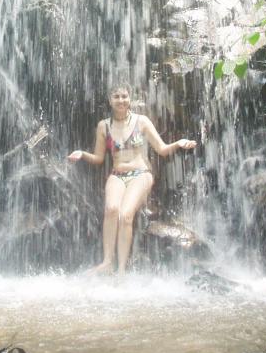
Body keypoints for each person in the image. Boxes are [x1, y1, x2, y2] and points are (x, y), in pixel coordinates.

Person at [67, 85, 197, 275]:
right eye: (116, 96)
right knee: (112, 209)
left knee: (126, 214)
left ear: (130, 99)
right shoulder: (104, 126)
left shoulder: (141, 121)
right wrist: (82, 154)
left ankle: (121, 270)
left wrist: (178, 144)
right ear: (110, 100)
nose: (121, 100)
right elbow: (99, 159)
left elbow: (161, 149)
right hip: (117, 174)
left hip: (141, 174)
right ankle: (107, 263)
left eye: (124, 96)